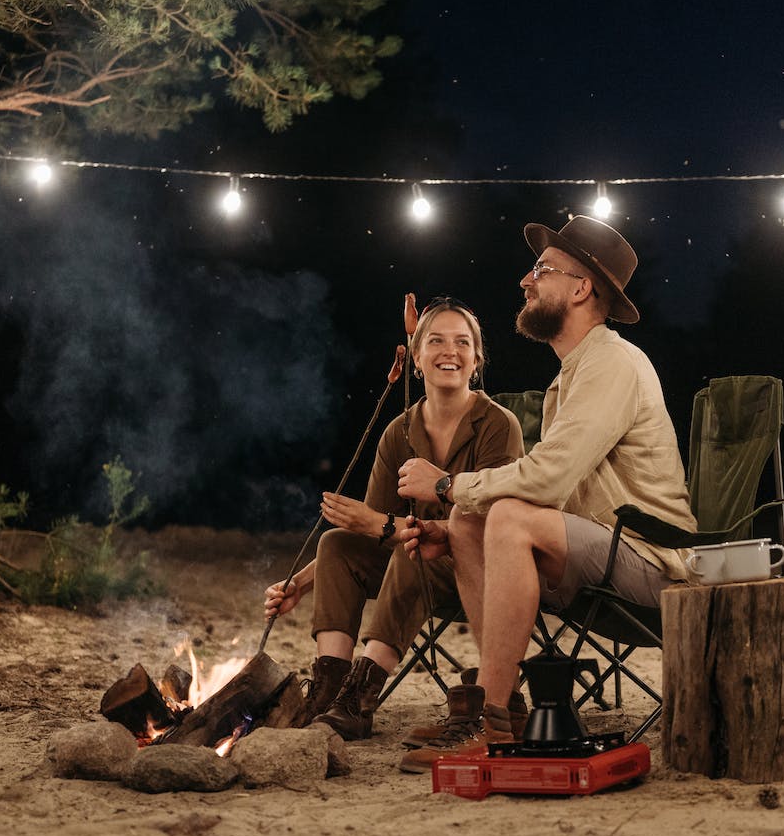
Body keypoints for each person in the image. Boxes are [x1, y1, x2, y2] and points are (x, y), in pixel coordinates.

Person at [394, 215, 695, 773]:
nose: (525, 281)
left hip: (652, 562)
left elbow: (546, 480)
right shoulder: (573, 373)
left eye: (541, 270)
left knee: (504, 515)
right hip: (601, 548)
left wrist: (447, 483)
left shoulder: (611, 363)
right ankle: (499, 706)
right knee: (467, 523)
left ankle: (490, 723)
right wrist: (456, 515)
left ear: (581, 289)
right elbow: (562, 495)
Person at [264, 298, 523, 739]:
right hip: (410, 556)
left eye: (463, 343)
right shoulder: (398, 431)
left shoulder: (498, 425)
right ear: (416, 358)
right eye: (436, 340)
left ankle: (361, 698)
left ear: (476, 360)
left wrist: (384, 526)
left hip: (475, 565)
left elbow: (488, 520)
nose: (450, 351)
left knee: (412, 548)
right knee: (336, 544)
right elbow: (371, 527)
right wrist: (300, 584)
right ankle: (328, 691)